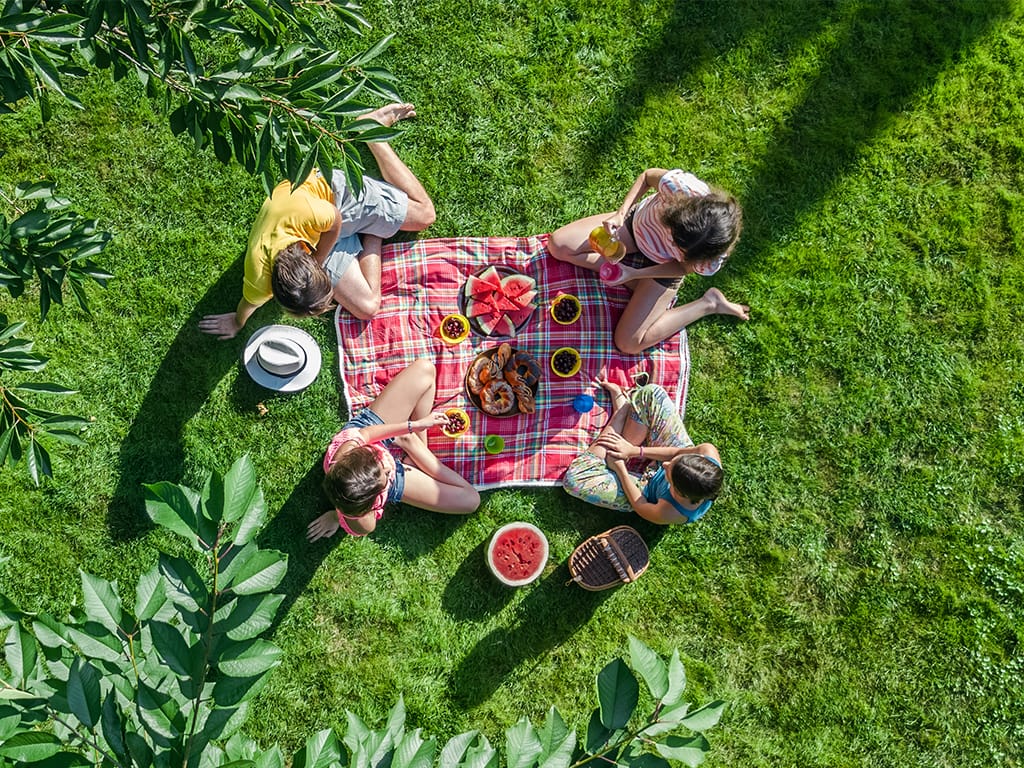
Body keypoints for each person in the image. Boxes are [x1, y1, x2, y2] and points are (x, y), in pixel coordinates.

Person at [200, 103, 436, 340]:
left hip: (335, 200)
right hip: (315, 239)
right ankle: (375, 230)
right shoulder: (259, 280)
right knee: (368, 308)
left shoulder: (307, 212)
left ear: (313, 265)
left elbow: (336, 219)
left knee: (425, 216)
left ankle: (372, 131)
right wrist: (237, 322)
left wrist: (321, 256)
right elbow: (248, 304)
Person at [548, 168, 749, 354]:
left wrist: (636, 273)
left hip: (663, 268)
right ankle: (636, 286)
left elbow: (682, 268)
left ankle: (708, 303)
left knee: (628, 342)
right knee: (559, 245)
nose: (671, 243)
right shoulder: (681, 188)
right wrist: (620, 214)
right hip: (633, 229)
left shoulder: (709, 259)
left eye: (680, 249)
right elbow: (647, 176)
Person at [307, 358, 480, 539]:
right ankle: (413, 447)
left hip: (375, 435)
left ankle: (410, 445)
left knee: (425, 370)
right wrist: (337, 515)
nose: (388, 467)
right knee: (471, 500)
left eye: (381, 466)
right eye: (386, 475)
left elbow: (368, 434)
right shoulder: (363, 522)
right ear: (372, 503)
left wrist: (414, 425)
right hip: (377, 469)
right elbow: (358, 511)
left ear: (357, 453)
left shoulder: (347, 447)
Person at [562, 378, 722, 525]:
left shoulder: (671, 512)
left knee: (575, 480)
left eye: (668, 471)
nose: (665, 465)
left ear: (677, 492)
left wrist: (621, 470)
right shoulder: (706, 452)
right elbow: (676, 452)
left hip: (644, 489)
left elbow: (640, 505)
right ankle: (620, 436)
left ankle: (621, 415)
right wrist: (634, 451)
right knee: (651, 394)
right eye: (673, 463)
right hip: (654, 450)